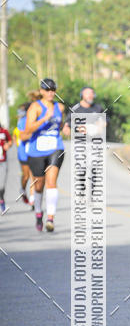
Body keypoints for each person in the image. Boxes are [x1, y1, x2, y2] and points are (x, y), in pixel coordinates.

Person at [23, 78, 65, 232]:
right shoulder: (35, 107)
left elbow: (60, 125)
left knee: (52, 181)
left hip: (56, 147)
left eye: (53, 90)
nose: (50, 93)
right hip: (37, 150)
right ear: (41, 91)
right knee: (39, 185)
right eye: (47, 90)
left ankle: (51, 218)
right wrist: (44, 119)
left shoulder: (59, 107)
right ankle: (39, 213)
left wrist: (65, 128)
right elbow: (28, 129)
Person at [14, 102, 32, 205]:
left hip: (35, 151)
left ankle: (33, 197)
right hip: (23, 152)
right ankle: (23, 189)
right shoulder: (22, 121)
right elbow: (22, 136)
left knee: (35, 175)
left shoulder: (37, 119)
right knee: (26, 175)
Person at [0, 120, 13, 213]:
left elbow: (10, 141)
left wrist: (8, 144)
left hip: (3, 161)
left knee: (2, 185)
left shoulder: (4, 132)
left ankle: (1, 199)